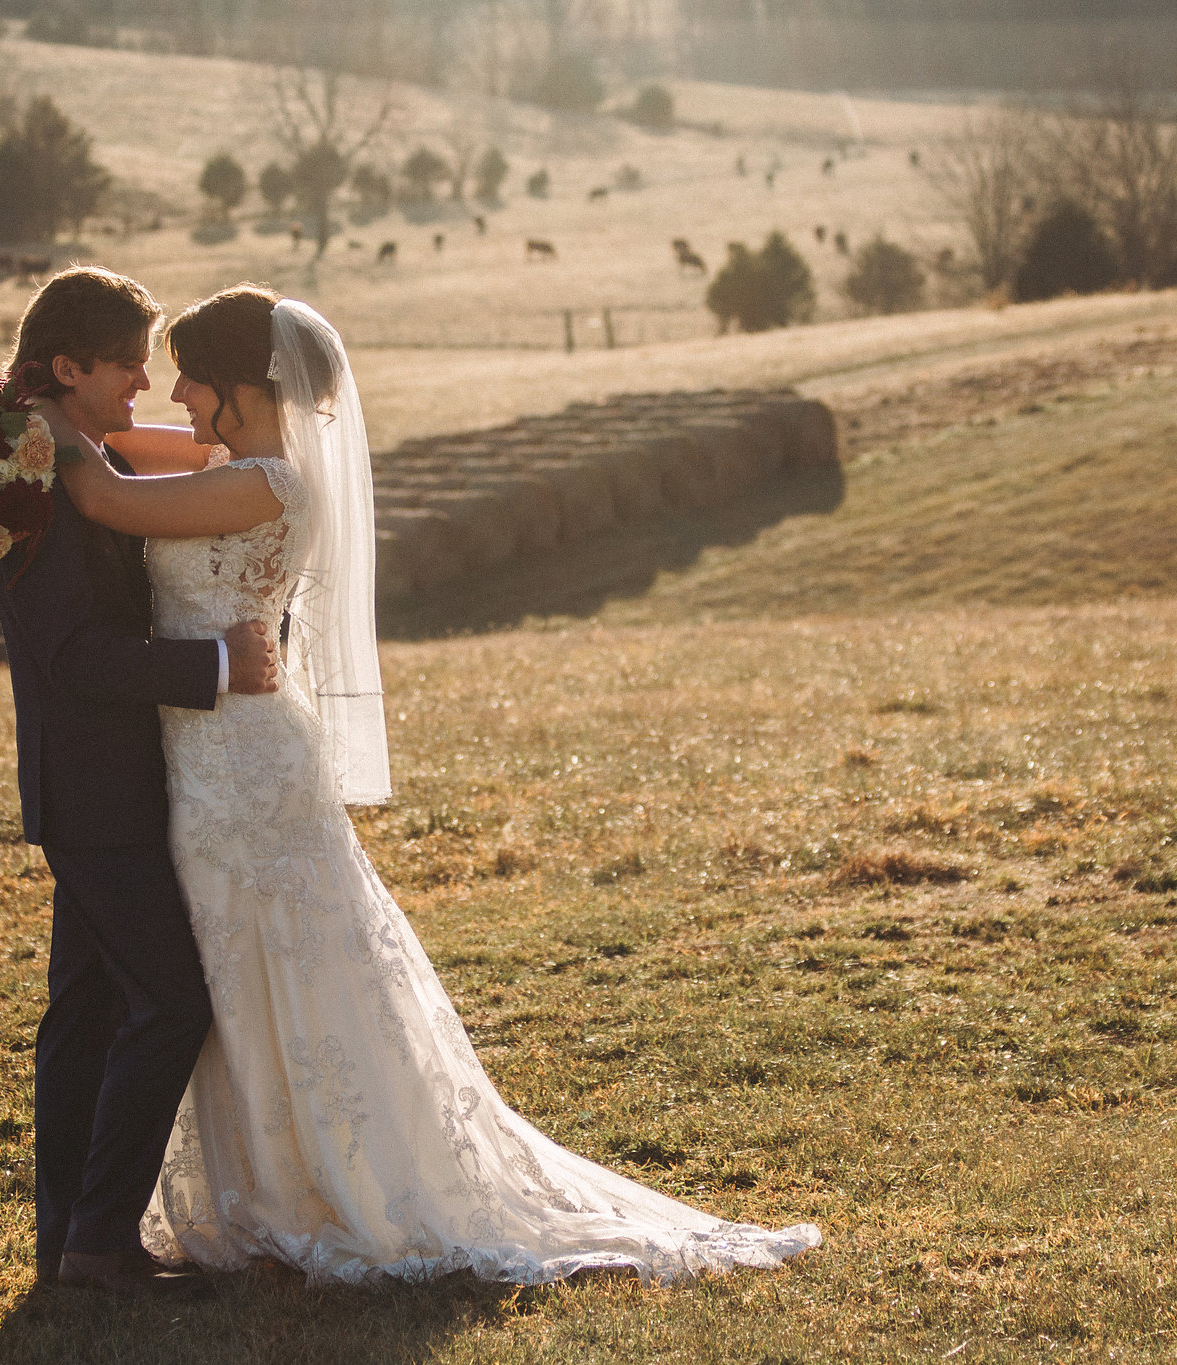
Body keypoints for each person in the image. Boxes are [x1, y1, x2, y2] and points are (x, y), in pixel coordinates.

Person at [43, 283, 821, 1284]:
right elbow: (118, 451)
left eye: (192, 375)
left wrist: (21, 427)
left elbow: (101, 492)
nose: (176, 393)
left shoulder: (263, 487)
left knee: (271, 961)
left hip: (239, 764)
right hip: (204, 751)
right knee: (236, 968)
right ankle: (270, 1182)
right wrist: (44, 423)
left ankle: (327, 1183)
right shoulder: (225, 460)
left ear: (240, 386)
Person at [0, 267, 283, 1297]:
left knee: (88, 1011)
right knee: (167, 1000)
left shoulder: (64, 450)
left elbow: (195, 460)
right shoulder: (29, 476)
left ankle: (70, 1238)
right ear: (69, 367)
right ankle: (99, 1242)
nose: (144, 388)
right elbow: (72, 653)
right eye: (127, 367)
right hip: (94, 787)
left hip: (115, 783)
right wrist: (212, 668)